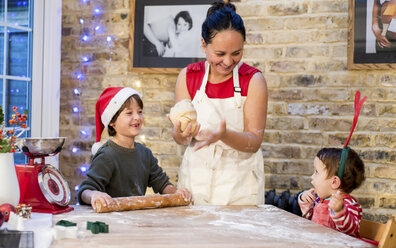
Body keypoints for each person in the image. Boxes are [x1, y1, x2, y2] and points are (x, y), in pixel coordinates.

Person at [171, 1, 268, 205]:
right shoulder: (188, 77)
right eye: (220, 54)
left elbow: (254, 141)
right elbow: (180, 138)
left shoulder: (253, 80)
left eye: (236, 53)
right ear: (204, 44)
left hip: (239, 185)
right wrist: (180, 133)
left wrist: (224, 135)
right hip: (195, 182)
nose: (228, 62)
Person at [77, 87, 191, 210]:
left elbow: (161, 183)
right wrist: (94, 194)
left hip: (137, 220)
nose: (137, 117)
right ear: (112, 121)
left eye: (140, 111)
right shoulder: (107, 155)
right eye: (129, 113)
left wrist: (176, 192)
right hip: (112, 221)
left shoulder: (144, 153)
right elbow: (85, 191)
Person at [298, 148, 366, 238]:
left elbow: (350, 230)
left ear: (334, 182)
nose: (312, 176)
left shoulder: (349, 204)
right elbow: (308, 218)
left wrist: (340, 211)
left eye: (317, 172)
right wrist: (305, 200)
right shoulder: (320, 200)